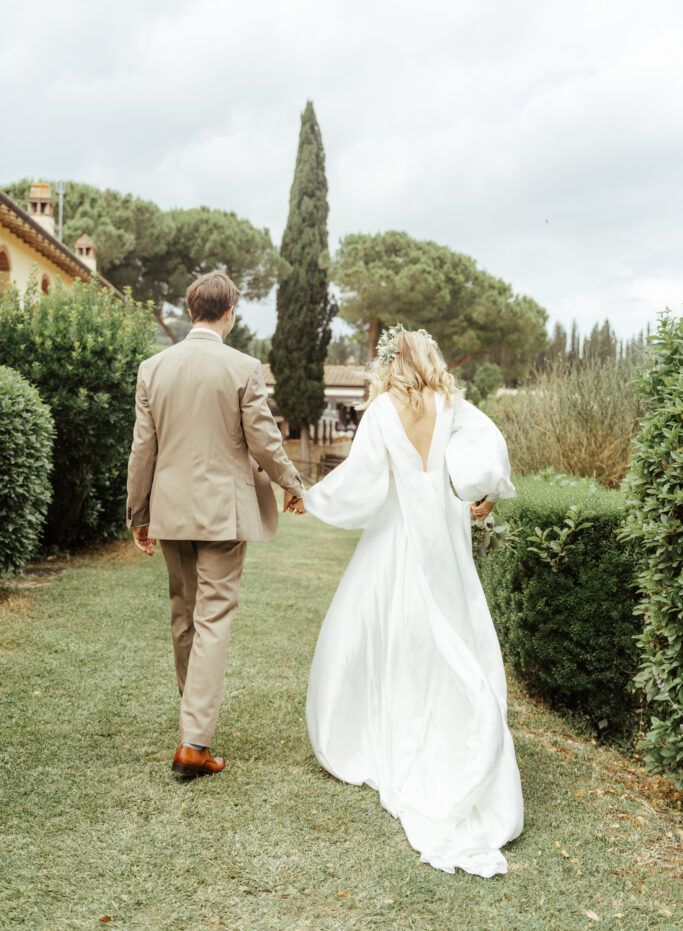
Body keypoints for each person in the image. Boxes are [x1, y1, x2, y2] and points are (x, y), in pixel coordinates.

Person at [292, 325, 524, 877]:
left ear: (391, 363)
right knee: (449, 623)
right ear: (431, 360)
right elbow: (488, 450)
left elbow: (361, 481)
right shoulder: (451, 406)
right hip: (443, 533)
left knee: (384, 627)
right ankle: (449, 720)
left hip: (396, 533)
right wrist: (485, 495)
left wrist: (313, 498)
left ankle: (387, 724)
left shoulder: (380, 412)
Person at [126, 270, 305, 779]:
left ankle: (193, 724)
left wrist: (139, 513)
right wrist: (292, 484)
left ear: (190, 311)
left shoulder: (153, 368)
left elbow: (143, 448)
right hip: (224, 514)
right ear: (230, 312)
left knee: (184, 615)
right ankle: (194, 742)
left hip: (170, 511)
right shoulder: (243, 367)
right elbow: (264, 440)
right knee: (212, 619)